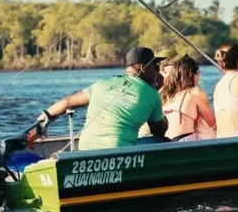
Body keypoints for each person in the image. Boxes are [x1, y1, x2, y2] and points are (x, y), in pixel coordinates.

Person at [33, 46, 168, 149]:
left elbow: (66, 102)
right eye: (155, 65)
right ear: (143, 67)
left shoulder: (102, 83)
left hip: (86, 147)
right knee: (164, 142)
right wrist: (156, 91)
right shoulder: (152, 94)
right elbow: (159, 131)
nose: (158, 70)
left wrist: (37, 126)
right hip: (119, 148)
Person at [161, 55, 217, 140]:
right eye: (198, 71)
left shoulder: (168, 93)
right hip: (184, 139)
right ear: (194, 73)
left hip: (166, 140)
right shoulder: (195, 92)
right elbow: (212, 123)